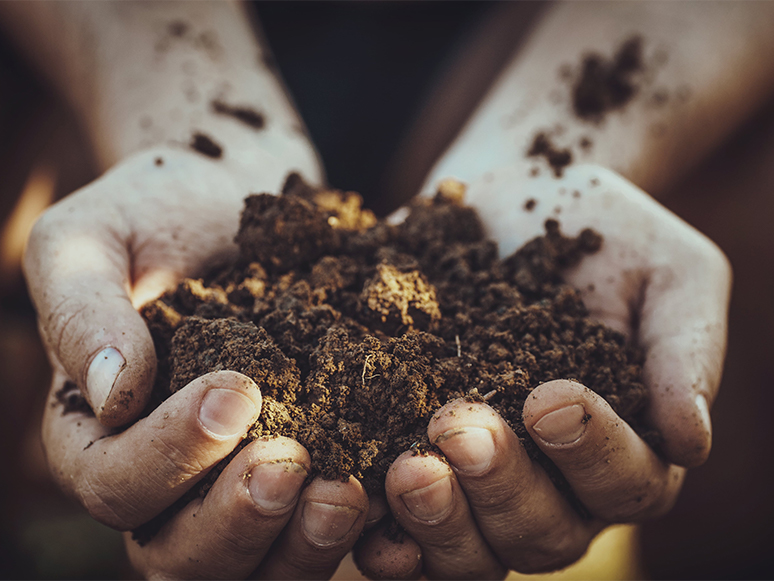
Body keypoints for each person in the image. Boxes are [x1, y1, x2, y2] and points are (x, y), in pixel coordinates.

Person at [1, 1, 773, 578]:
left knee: (731, 469)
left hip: (536, 42)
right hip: (148, 38)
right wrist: (183, 114)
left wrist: (563, 141)